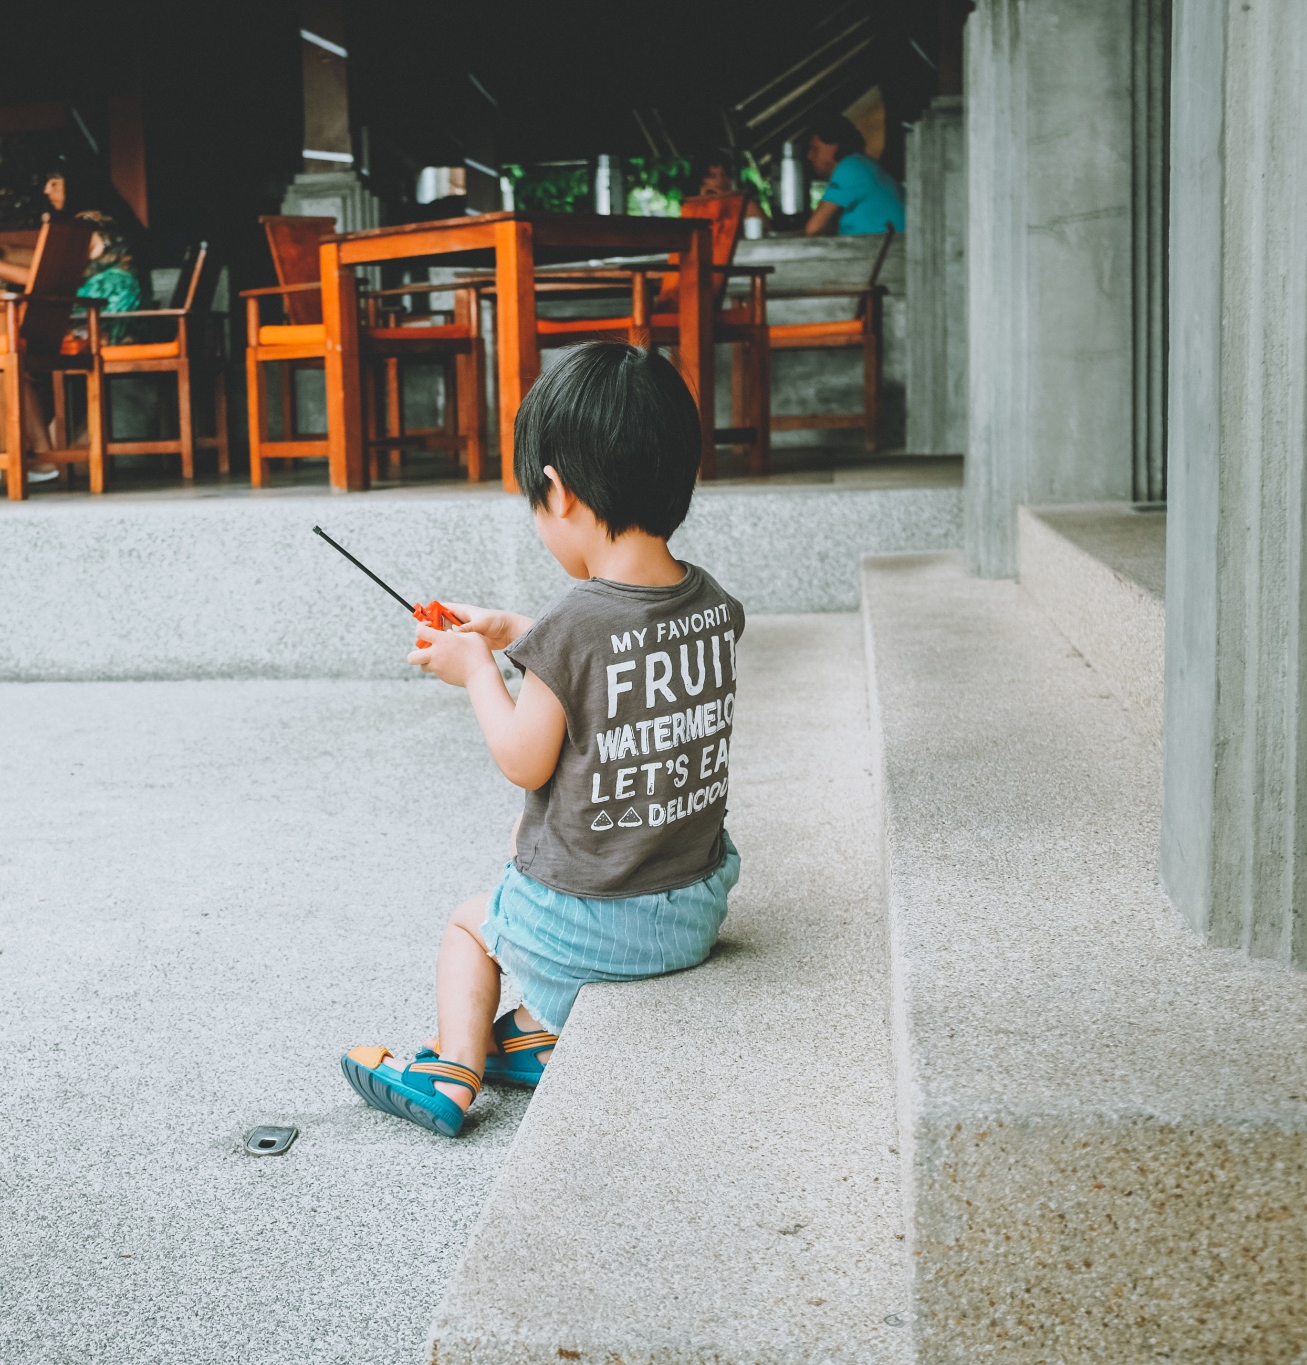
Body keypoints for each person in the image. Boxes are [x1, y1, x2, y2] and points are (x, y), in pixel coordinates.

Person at [340, 342, 745, 1138]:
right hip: (691, 909)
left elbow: (524, 755)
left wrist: (480, 671)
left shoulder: (574, 622)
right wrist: (516, 632)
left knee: (472, 922)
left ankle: (452, 1070)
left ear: (557, 492)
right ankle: (537, 1031)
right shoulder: (714, 604)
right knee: (536, 850)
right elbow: (615, 660)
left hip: (602, 921)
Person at [0, 160, 148, 483]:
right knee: (25, 347)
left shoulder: (88, 223)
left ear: (78, 184)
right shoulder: (98, 220)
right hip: (101, 321)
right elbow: (48, 256)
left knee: (16, 355)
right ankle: (35, 454)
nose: (46, 189)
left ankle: (41, 455)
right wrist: (3, 251)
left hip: (106, 328)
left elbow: (50, 279)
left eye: (55, 181)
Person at [802, 114, 905, 237]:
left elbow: (813, 228)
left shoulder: (850, 168)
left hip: (883, 251)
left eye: (815, 149)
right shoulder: (862, 164)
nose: (809, 156)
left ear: (833, 146)